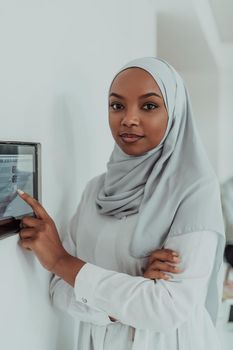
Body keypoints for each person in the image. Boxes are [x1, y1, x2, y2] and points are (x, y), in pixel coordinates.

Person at [17, 57, 226, 350]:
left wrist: (62, 261)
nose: (128, 119)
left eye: (149, 106)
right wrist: (132, 289)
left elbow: (166, 308)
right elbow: (60, 291)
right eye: (117, 106)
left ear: (175, 113)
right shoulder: (96, 191)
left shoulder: (194, 191)